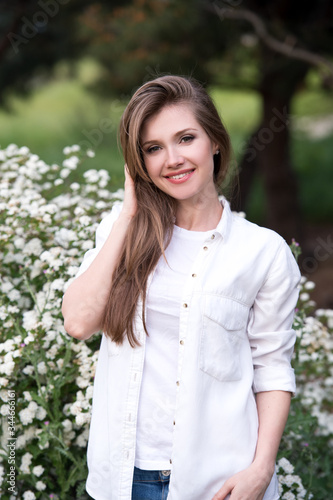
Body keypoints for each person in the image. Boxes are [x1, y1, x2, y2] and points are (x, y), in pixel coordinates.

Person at [62, 75, 301, 500]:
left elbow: (273, 368)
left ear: (214, 141)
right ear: (139, 163)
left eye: (185, 138)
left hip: (220, 482)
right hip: (124, 479)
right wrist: (125, 220)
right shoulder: (121, 236)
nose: (172, 159)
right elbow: (79, 322)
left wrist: (261, 471)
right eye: (153, 149)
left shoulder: (263, 252)